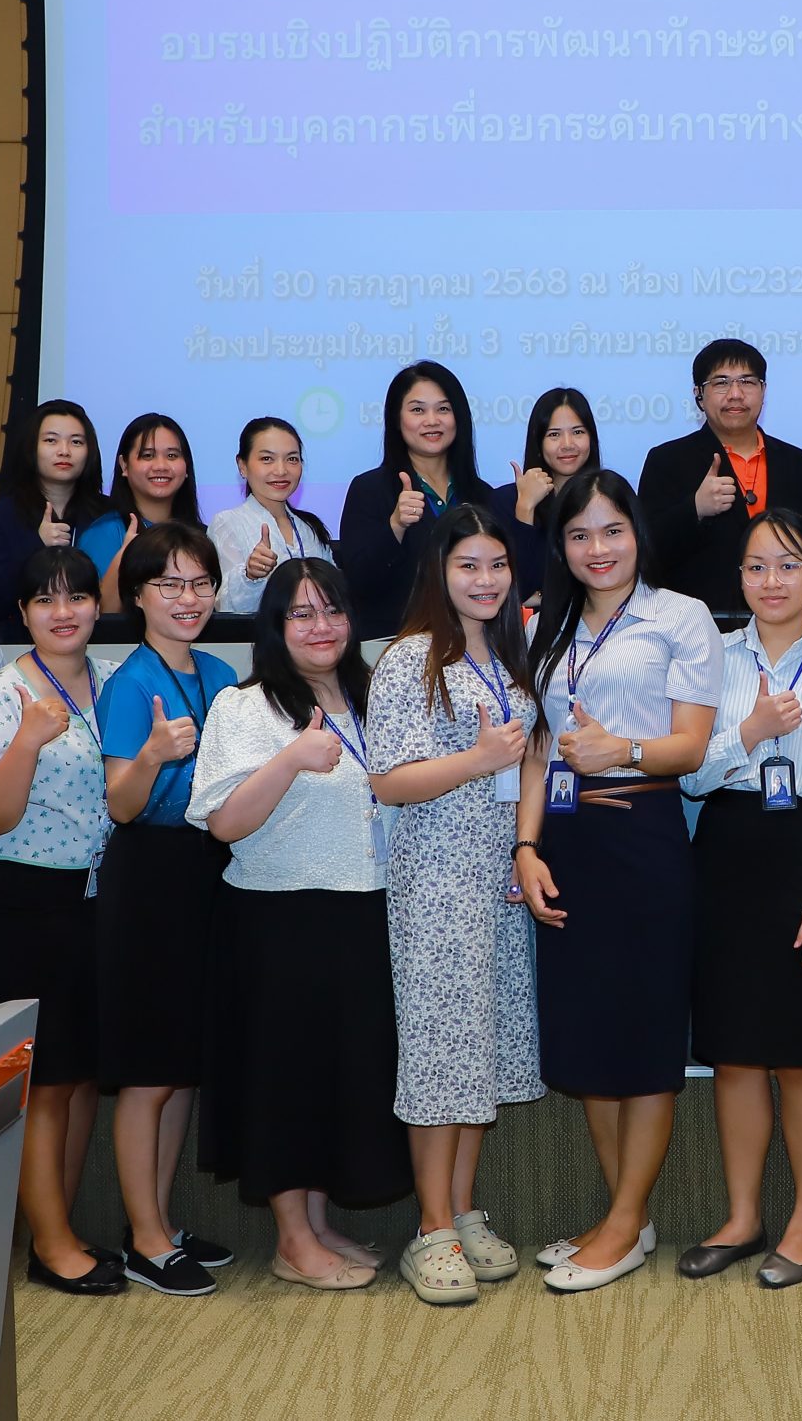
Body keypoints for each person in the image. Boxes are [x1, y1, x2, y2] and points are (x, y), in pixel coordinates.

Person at [513, 469, 720, 1293]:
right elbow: (538, 748)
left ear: (637, 532)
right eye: (578, 534)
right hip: (566, 842)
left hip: (642, 834)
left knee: (643, 1036)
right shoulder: (545, 622)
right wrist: (526, 845)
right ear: (560, 545)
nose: (597, 548)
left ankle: (626, 1221)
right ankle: (622, 1215)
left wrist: (622, 750)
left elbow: (692, 746)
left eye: (611, 530)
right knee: (588, 1036)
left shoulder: (681, 616)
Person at [190, 557, 410, 1292]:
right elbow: (224, 823)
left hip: (364, 907)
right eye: (302, 613)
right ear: (275, 625)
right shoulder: (245, 706)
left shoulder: (371, 696)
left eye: (333, 610)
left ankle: (316, 1224)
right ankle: (291, 1239)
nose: (322, 626)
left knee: (334, 1077)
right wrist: (290, 760)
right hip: (280, 915)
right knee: (284, 1078)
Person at [679, 509, 802, 1288]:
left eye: (788, 565)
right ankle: (742, 1217)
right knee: (734, 1054)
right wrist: (751, 730)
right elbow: (691, 774)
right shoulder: (712, 657)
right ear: (739, 576)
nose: (772, 580)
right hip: (726, 857)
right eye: (758, 566)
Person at [366, 506, 546, 1306]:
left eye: (497, 564)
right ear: (439, 570)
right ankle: (430, 1228)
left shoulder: (510, 654)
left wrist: (524, 845)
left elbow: (533, 758)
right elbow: (388, 779)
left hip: (497, 882)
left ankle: (464, 1210)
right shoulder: (410, 658)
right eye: (469, 564)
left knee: (480, 1050)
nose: (486, 579)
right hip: (436, 882)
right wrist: (475, 759)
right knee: (440, 1051)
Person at [0, 546, 122, 1297]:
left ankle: (62, 1228)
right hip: (25, 904)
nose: (64, 611)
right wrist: (26, 740)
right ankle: (51, 1246)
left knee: (81, 1075)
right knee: (44, 1082)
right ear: (22, 612)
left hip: (98, 900)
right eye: (45, 599)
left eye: (77, 596)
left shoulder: (114, 684)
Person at [92, 520, 238, 1296]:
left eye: (200, 582)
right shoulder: (129, 682)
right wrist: (152, 753)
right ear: (138, 596)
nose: (188, 598)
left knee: (183, 1066)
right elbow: (120, 804)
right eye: (170, 583)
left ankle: (162, 1223)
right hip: (149, 874)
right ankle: (144, 1237)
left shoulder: (222, 672)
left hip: (208, 868)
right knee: (149, 1068)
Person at [638, 338, 802, 624]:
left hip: (782, 625)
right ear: (699, 395)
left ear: (763, 391)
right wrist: (694, 509)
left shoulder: (800, 464)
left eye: (747, 382)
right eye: (721, 383)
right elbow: (646, 553)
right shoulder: (667, 460)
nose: (735, 394)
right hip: (699, 627)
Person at [339, 362, 496, 640]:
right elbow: (358, 582)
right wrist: (396, 526)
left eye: (443, 409)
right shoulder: (370, 489)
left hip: (472, 644)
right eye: (418, 410)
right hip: (395, 644)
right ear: (396, 419)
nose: (432, 420)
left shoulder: (482, 495)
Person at [0, 400, 110, 644]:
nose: (64, 451)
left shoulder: (108, 514)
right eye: (51, 440)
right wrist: (35, 545)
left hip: (100, 646)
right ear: (32, 448)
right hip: (18, 647)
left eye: (76, 442)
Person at [78, 413, 205, 614]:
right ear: (124, 465)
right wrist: (124, 557)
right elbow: (102, 616)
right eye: (147, 455)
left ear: (186, 466)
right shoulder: (105, 533)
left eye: (172, 456)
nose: (161, 466)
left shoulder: (202, 535)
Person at [209, 417, 336, 614]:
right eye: (267, 459)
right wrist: (250, 576)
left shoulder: (310, 527)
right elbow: (224, 607)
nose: (281, 470)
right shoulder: (227, 523)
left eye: (292, 459)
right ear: (242, 466)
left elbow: (335, 594)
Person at [490, 386, 600, 612]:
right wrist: (525, 508)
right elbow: (512, 590)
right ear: (538, 443)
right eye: (554, 434)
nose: (567, 444)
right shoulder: (505, 501)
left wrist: (544, 595)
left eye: (578, 432)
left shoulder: (607, 498)